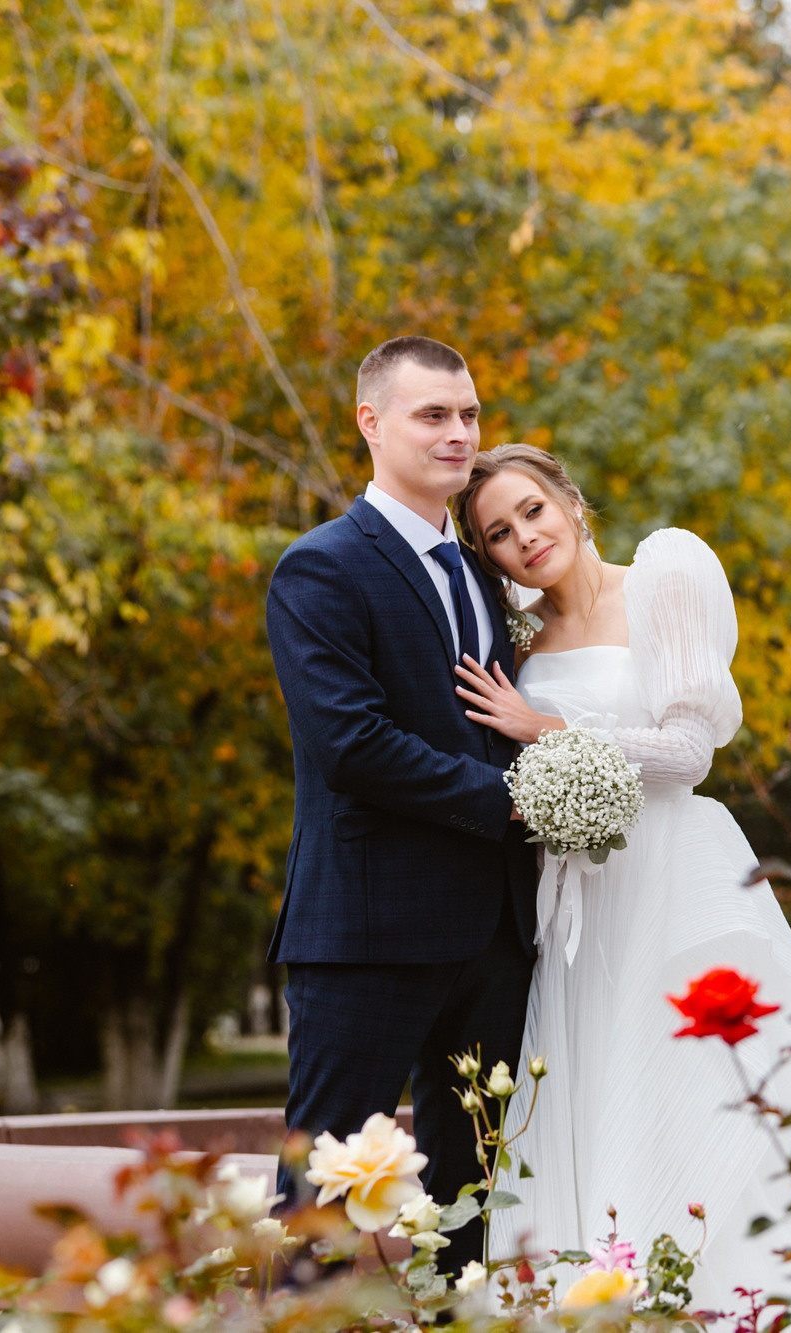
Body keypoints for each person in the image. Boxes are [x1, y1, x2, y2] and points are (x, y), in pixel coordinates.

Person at [451, 444, 791, 1317]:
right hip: (579, 902)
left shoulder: (663, 576)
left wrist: (545, 726)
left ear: (573, 501)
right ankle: (616, 1296)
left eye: (533, 510)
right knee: (597, 1096)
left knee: (714, 1086)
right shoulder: (518, 637)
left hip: (673, 876)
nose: (524, 537)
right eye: (499, 533)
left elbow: (689, 752)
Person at [263, 338, 538, 1271]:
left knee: (472, 1208)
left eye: (468, 414)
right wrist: (509, 801)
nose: (459, 433)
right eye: (434, 415)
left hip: (495, 938)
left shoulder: (483, 572)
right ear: (370, 423)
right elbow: (353, 745)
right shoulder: (322, 568)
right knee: (324, 1205)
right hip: (368, 937)